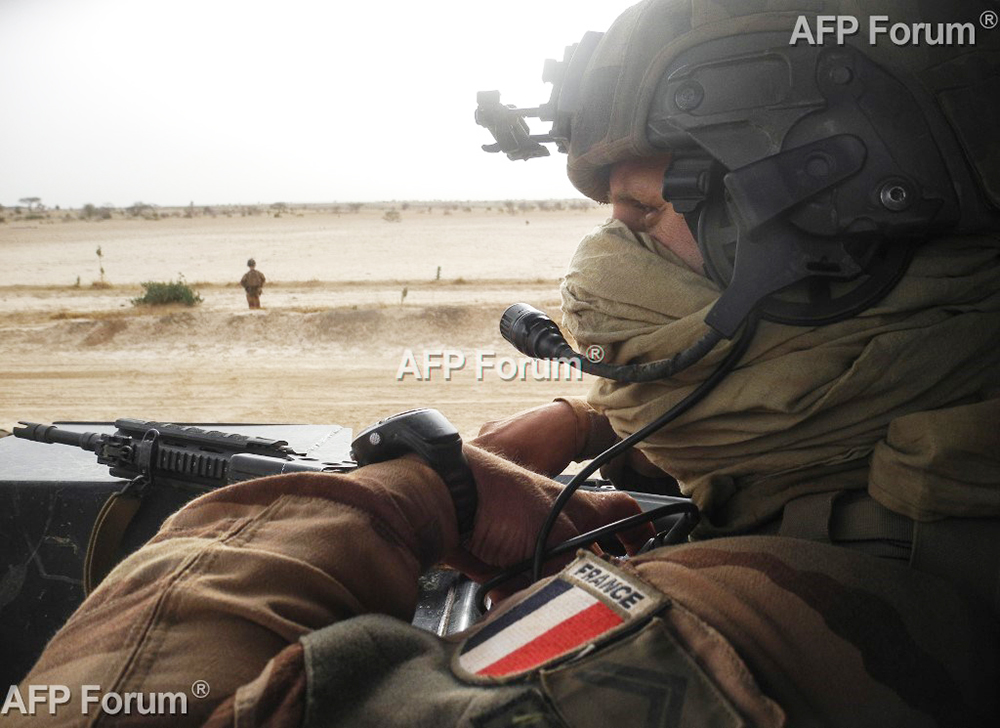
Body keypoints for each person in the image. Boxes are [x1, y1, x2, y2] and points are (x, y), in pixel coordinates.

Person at [12, 1, 1000, 726]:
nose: (602, 266)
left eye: (642, 213)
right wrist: (603, 427)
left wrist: (396, 500)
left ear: (840, 241)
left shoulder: (697, 652)